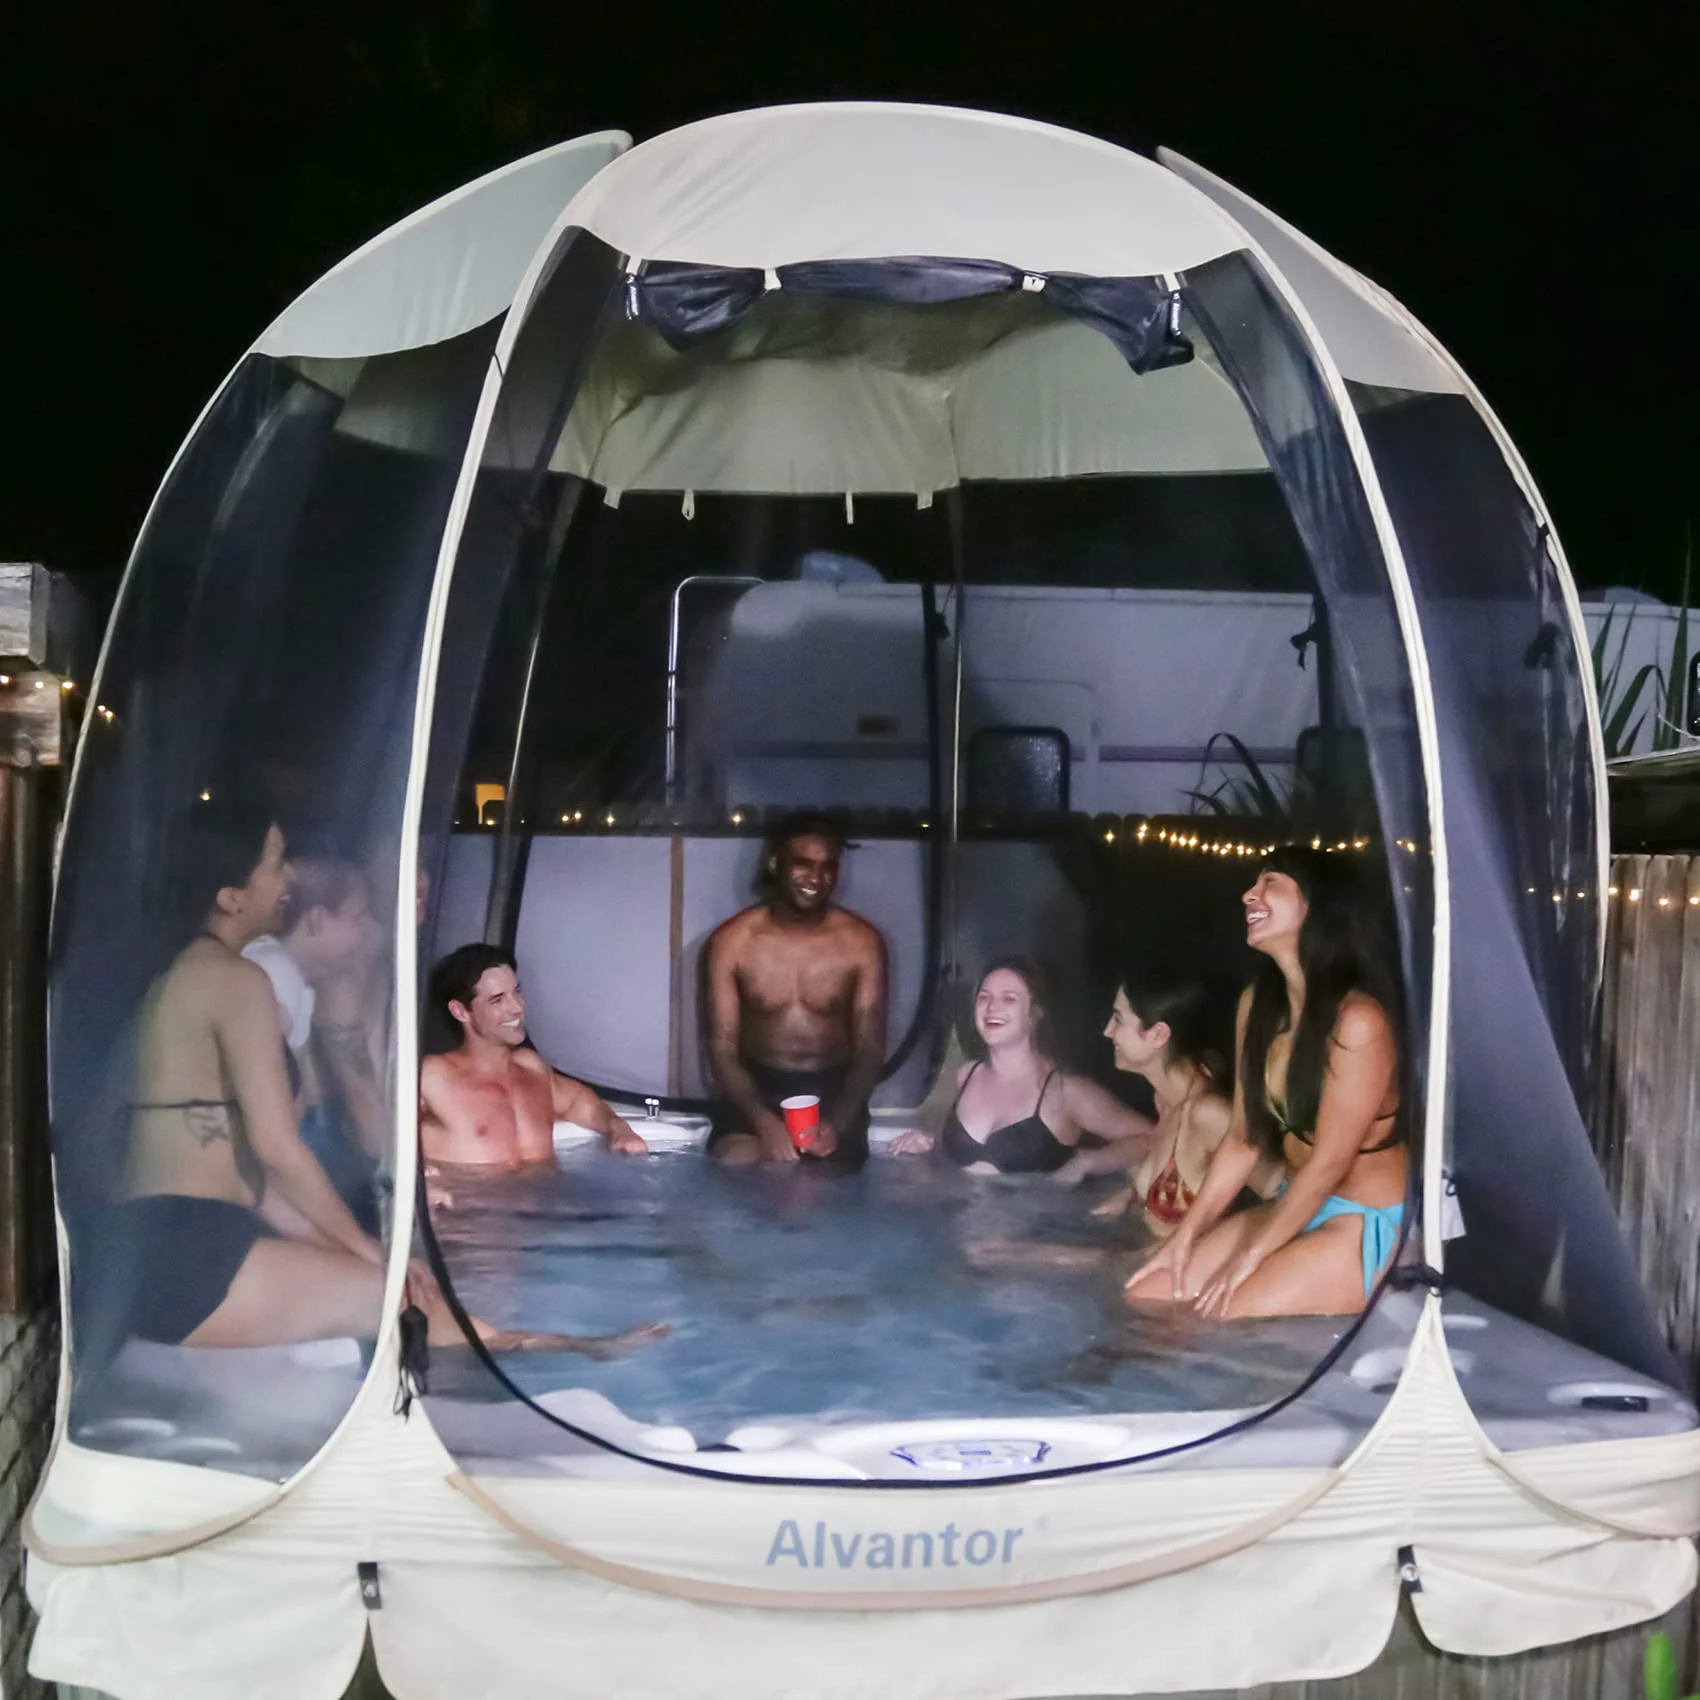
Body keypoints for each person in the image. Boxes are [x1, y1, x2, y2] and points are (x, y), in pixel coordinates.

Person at [108, 799, 656, 1355]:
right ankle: (546, 1352)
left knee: (399, 1282)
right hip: (185, 1246)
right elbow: (278, 1150)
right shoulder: (237, 980)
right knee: (406, 1297)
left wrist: (359, 1247)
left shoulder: (186, 973)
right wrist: (375, 1253)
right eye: (274, 864)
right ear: (231, 896)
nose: (288, 878)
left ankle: (538, 1345)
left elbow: (251, 1173)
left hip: (161, 1239)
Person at [1124, 845, 1407, 1319]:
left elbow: (1330, 1163)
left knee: (1215, 1314)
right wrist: (1185, 1237)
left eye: (1270, 883)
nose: (1248, 895)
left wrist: (1252, 1258)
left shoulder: (1359, 1022)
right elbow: (1243, 1139)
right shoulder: (1258, 1006)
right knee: (1149, 1294)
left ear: (1317, 906)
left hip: (1364, 1219)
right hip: (1294, 1202)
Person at [703, 815, 888, 1169]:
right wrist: (764, 1122)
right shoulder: (732, 943)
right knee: (737, 1162)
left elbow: (870, 1048)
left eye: (828, 866)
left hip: (832, 1090)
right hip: (756, 1089)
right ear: (776, 863)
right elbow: (721, 1048)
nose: (816, 878)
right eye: (803, 864)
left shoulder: (862, 943)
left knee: (821, 1179)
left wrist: (836, 1124)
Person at [1056, 976, 1276, 1233]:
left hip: (1186, 1257)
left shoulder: (1208, 1113)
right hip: (1151, 1251)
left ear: (1158, 1034)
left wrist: (1218, 1245)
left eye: (1118, 1019)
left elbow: (1285, 1195)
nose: (1108, 1031)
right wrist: (1134, 1196)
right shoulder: (1165, 1100)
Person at [889, 959, 1153, 1173]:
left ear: (1035, 1013)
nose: (991, 1007)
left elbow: (1151, 1138)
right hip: (960, 1215)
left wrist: (1088, 1163)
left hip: (1035, 1222)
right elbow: (939, 1133)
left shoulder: (1066, 1091)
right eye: (984, 997)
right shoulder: (966, 1074)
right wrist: (926, 1142)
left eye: (1009, 998)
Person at [243, 856, 383, 1227]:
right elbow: (270, 1124)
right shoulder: (272, 973)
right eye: (358, 915)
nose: (367, 929)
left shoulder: (290, 976)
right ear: (317, 921)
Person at [420, 943, 650, 1168]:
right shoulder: (433, 1076)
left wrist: (619, 1129)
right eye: (498, 1000)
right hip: (469, 1193)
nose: (518, 1007)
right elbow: (395, 1137)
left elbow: (579, 1103)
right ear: (461, 1011)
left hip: (546, 1192)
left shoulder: (531, 1067)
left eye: (516, 992)